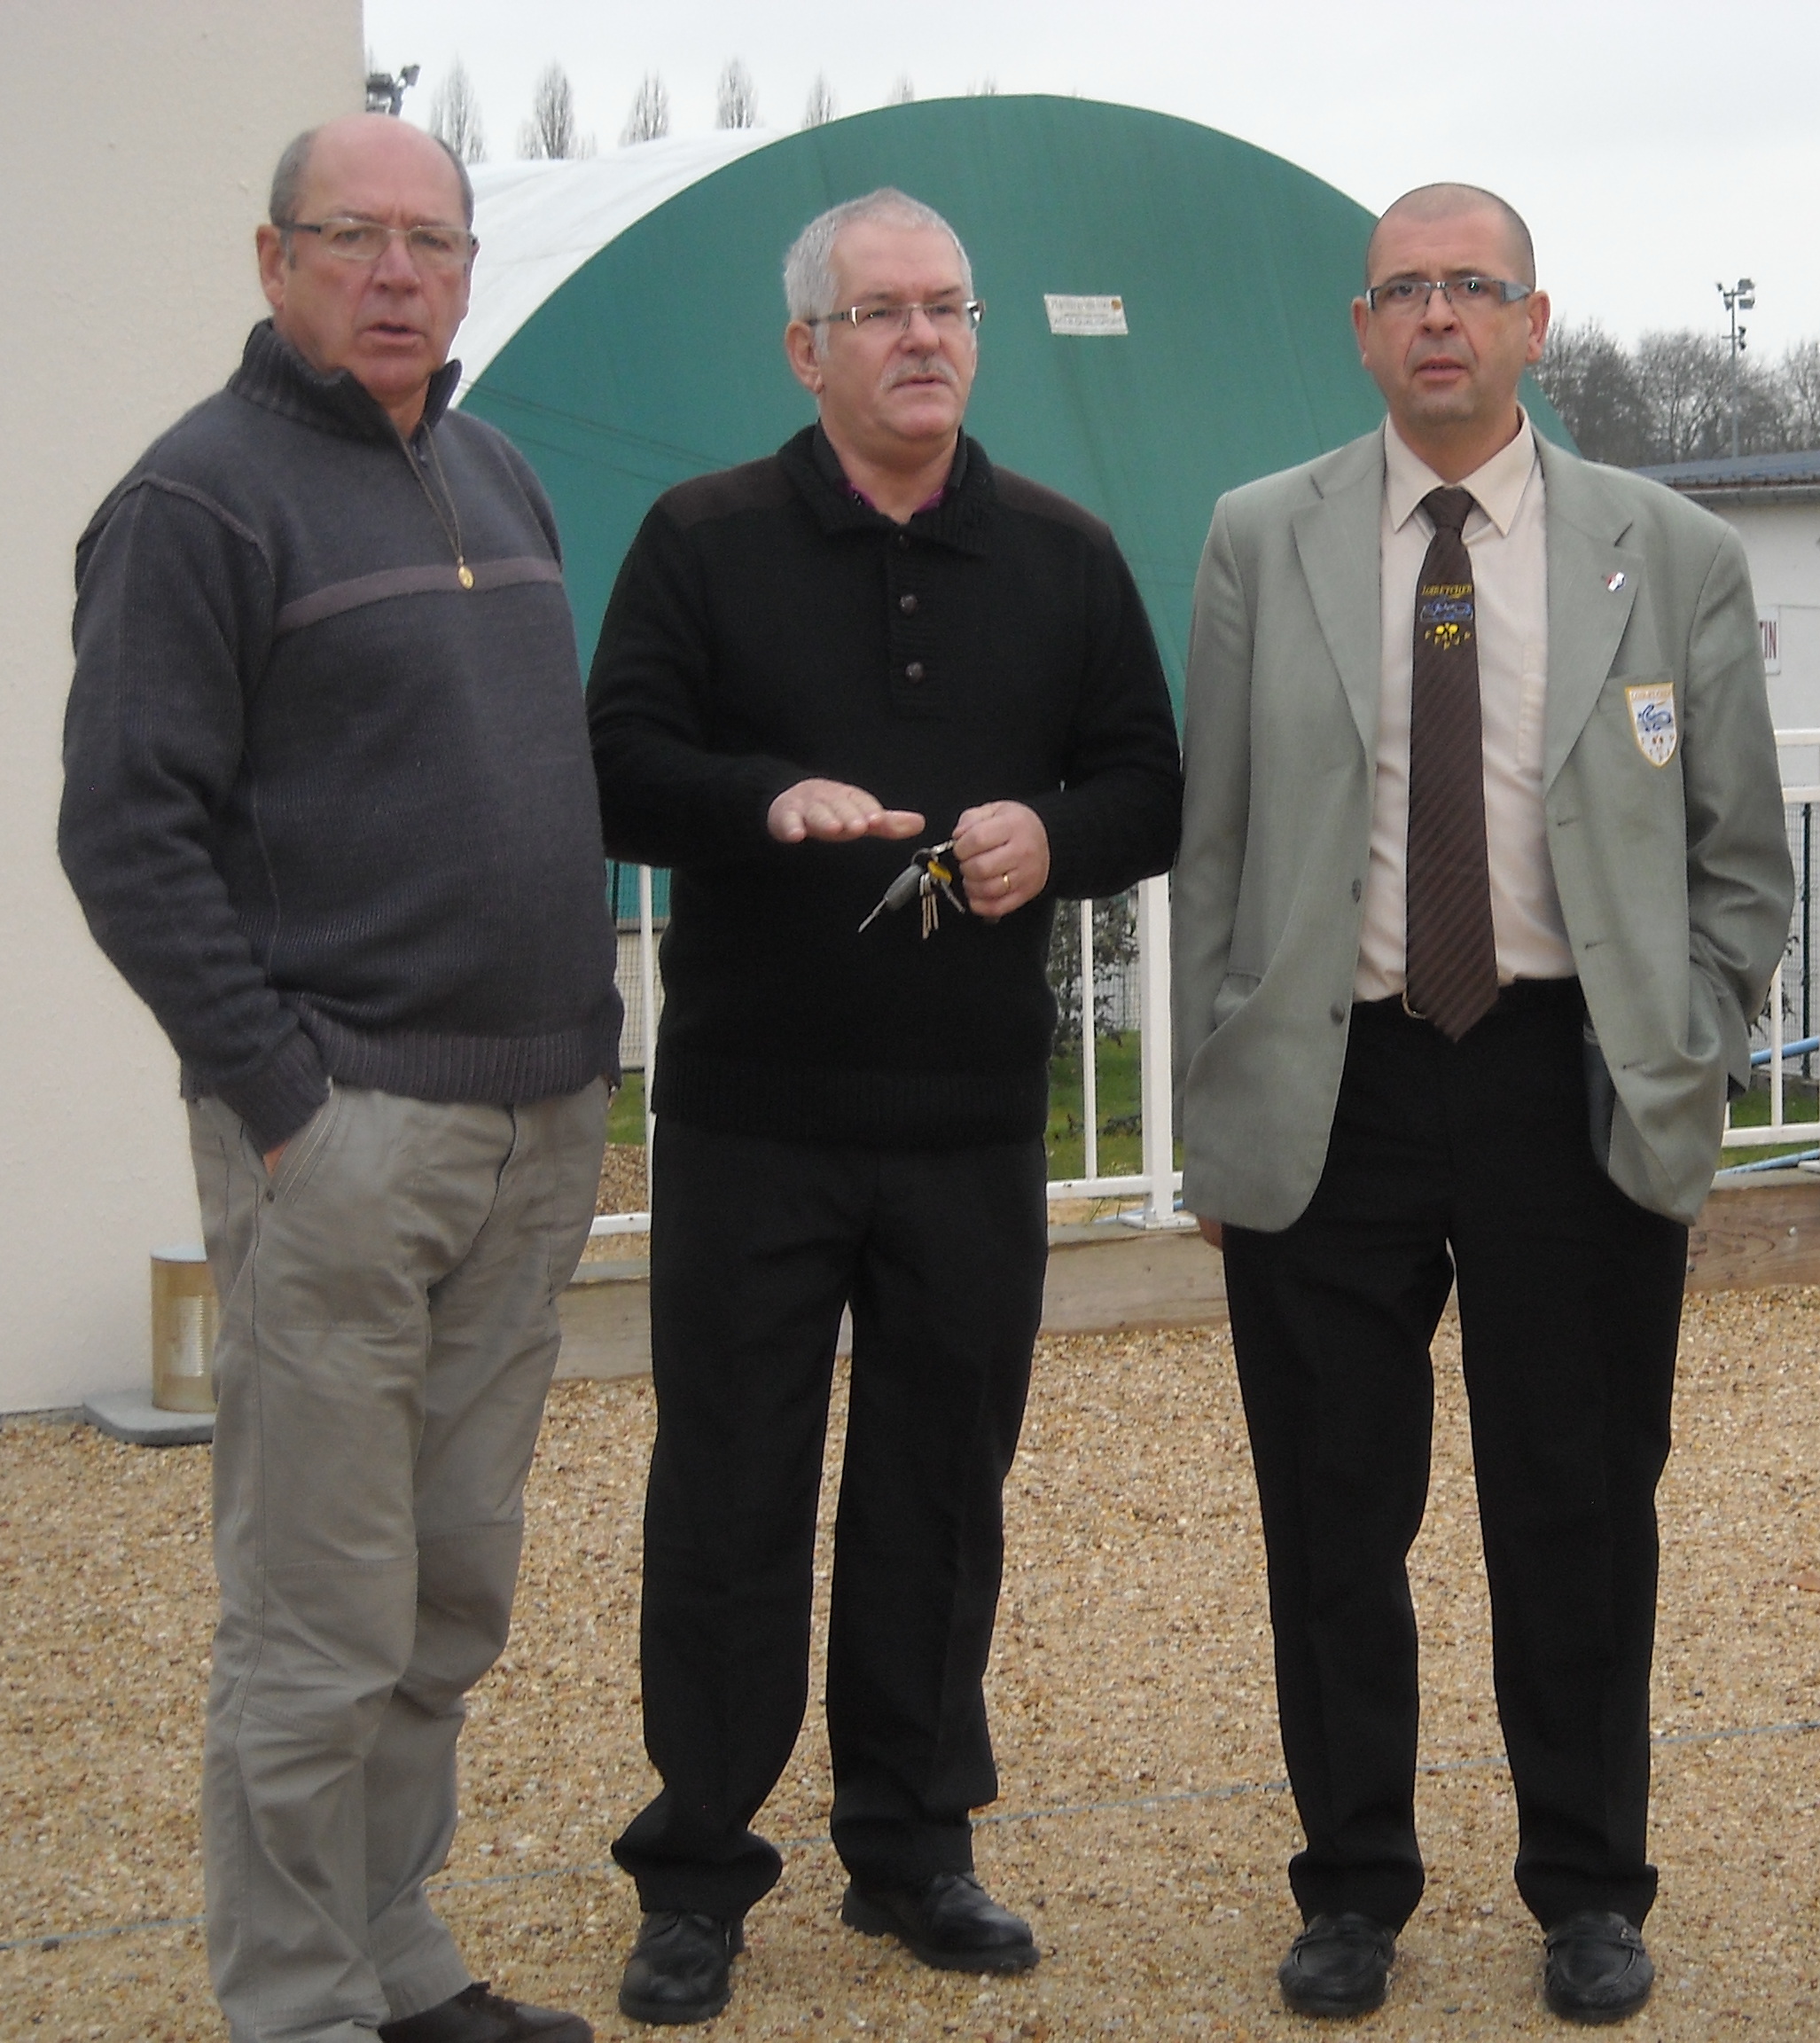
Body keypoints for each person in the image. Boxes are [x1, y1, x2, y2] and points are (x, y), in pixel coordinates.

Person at [1171, 183, 1793, 2025]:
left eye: (1475, 287)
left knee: (1580, 1503)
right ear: (1361, 331)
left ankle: (1589, 1886)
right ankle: (1353, 1882)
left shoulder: (1665, 550)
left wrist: (1683, 1046)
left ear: (1537, 321)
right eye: (1404, 290)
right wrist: (1220, 1093)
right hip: (1331, 1081)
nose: (1439, 316)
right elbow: (1212, 850)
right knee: (1334, 1514)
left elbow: (1738, 858)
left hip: (1568, 1077)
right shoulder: (1257, 541)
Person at [584, 187, 1182, 2027]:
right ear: (806, 348)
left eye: (950, 307)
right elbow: (613, 767)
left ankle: (913, 1847)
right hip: (757, 1116)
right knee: (731, 1490)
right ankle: (697, 1869)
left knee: (939, 1496)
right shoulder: (704, 539)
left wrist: (1054, 836)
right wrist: (761, 799)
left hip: (968, 1124)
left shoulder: (1065, 557)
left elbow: (1150, 784)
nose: (925, 337)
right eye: (883, 312)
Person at [58, 114, 621, 2043]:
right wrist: (281, 1099)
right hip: (348, 1137)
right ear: (273, 258)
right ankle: (298, 2002)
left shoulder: (499, 475)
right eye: (351, 238)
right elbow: (128, 832)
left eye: (431, 242)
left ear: (470, 267)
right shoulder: (196, 503)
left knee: (450, 1590)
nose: (397, 275)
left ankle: (400, 1956)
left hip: (538, 1125)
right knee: (318, 1613)